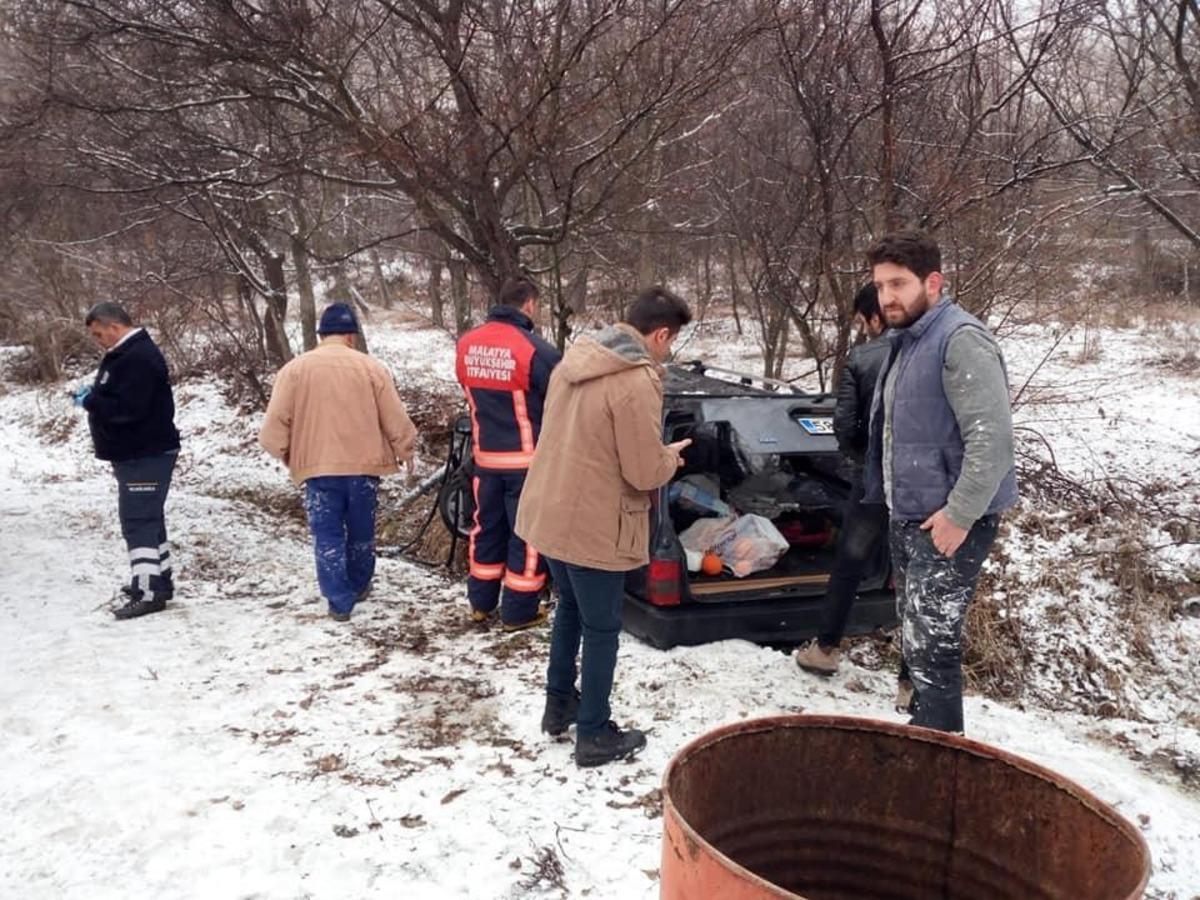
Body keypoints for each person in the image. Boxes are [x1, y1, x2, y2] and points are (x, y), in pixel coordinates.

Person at [516, 286, 693, 767]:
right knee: (602, 628)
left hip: (549, 512)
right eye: (670, 343)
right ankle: (593, 732)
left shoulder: (574, 362)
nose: (668, 353)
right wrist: (669, 460)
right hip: (593, 522)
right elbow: (641, 471)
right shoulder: (636, 381)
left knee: (570, 608)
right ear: (660, 335)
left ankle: (560, 705)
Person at [861, 231, 1017, 733]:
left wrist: (959, 515)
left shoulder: (959, 339)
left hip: (948, 520)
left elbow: (991, 439)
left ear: (933, 282)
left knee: (933, 647)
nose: (887, 296)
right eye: (881, 285)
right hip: (908, 515)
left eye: (898, 284)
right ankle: (922, 737)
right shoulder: (907, 340)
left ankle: (942, 755)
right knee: (914, 640)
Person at [259, 302, 417, 622]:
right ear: (351, 336)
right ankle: (359, 585)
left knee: (327, 534)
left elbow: (275, 423)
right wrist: (406, 449)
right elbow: (394, 417)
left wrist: (283, 451)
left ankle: (338, 600)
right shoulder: (371, 368)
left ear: (322, 335)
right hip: (364, 469)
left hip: (317, 470)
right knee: (361, 531)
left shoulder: (295, 370)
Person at [794, 285, 913, 701]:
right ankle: (909, 682)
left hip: (874, 485)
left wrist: (862, 461)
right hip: (922, 485)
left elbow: (844, 426)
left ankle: (825, 648)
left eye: (864, 321)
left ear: (874, 318)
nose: (865, 329)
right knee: (914, 576)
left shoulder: (863, 358)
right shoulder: (934, 351)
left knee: (849, 564)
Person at [454, 277, 562, 630]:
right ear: (529, 304)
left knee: (486, 527)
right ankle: (519, 611)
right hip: (528, 462)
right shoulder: (537, 350)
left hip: (485, 460)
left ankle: (480, 603)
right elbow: (561, 402)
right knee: (527, 534)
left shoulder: (466, 345)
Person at [77, 302, 181, 620]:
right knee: (149, 520)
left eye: (98, 334)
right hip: (137, 454)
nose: (98, 340)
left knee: (138, 522)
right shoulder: (127, 354)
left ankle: (149, 592)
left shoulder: (137, 357)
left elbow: (129, 410)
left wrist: (91, 401)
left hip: (144, 453)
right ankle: (157, 580)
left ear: (113, 326)